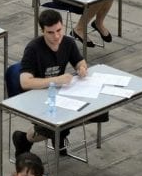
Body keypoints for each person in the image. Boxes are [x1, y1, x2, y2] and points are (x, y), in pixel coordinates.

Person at [12, 9, 91, 158]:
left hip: (58, 95)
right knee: (50, 127)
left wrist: (82, 68)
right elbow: (25, 82)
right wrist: (55, 81)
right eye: (50, 32)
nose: (56, 36)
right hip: (35, 96)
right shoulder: (33, 49)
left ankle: (60, 133)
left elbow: (80, 62)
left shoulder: (67, 42)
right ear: (42, 31)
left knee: (93, 113)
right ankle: (24, 139)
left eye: (59, 30)